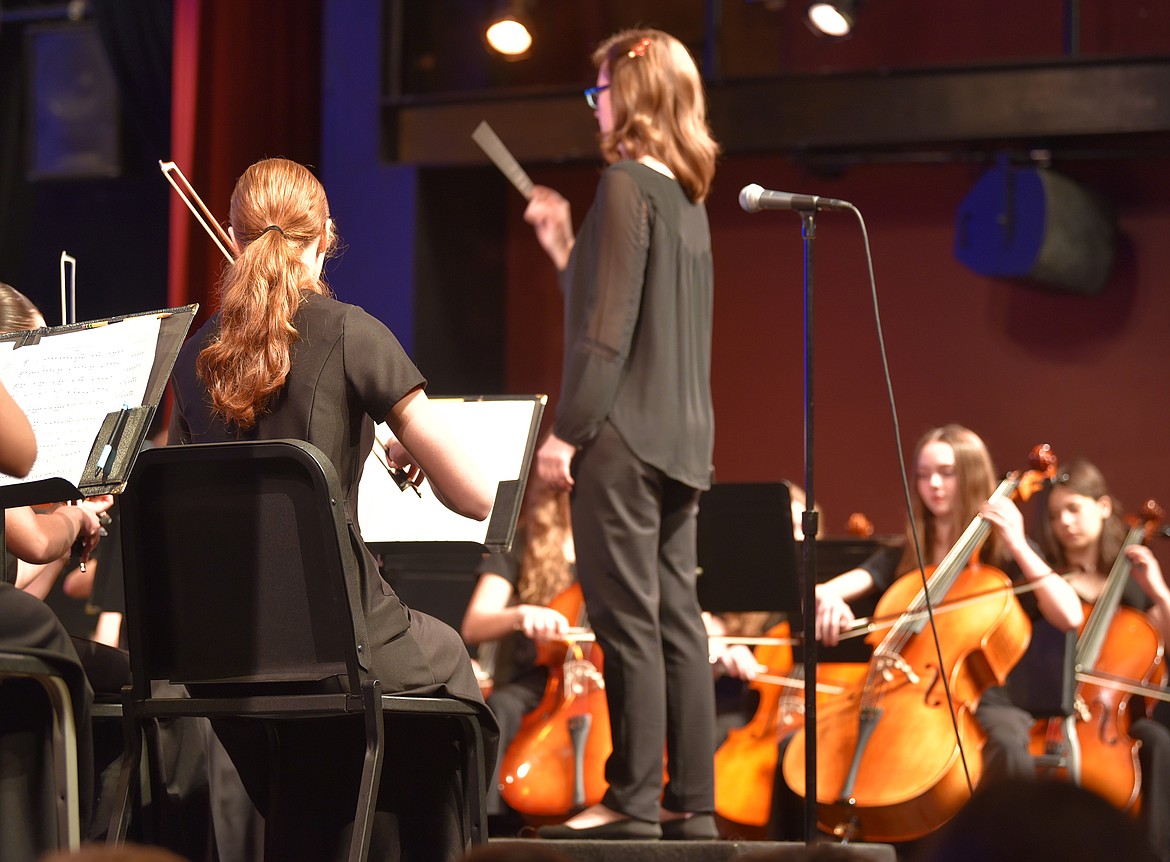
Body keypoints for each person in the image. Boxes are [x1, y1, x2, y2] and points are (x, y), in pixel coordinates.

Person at [168, 157, 497, 862]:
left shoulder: (194, 357)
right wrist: (415, 446)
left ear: (232, 237)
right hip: (338, 640)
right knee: (451, 665)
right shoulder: (352, 332)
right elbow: (474, 496)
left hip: (222, 654)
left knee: (318, 746)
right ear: (326, 238)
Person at [521, 27, 720, 841]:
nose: (595, 106)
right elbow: (621, 307)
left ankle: (633, 800)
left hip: (623, 441)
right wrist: (565, 245)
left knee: (628, 623)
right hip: (683, 441)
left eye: (599, 91)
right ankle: (692, 803)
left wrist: (567, 434)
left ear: (629, 95)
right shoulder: (684, 200)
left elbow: (605, 335)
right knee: (678, 620)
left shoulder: (626, 188)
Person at [770, 424, 1085, 840]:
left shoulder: (1002, 549)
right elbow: (843, 584)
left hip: (974, 693)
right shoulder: (908, 550)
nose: (932, 484)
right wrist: (825, 596)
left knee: (1008, 744)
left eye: (946, 472)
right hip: (890, 687)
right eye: (923, 473)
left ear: (972, 474)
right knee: (797, 750)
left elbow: (1068, 615)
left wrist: (1018, 542)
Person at [1036, 458, 1170, 862]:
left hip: (1113, 721)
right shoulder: (1048, 581)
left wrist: (1159, 592)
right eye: (1057, 514)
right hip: (1046, 712)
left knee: (1158, 740)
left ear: (1104, 507)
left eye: (1074, 508)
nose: (1065, 522)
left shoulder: (1131, 586)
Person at [460, 476, 578, 836]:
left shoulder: (619, 549)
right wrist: (521, 614)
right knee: (505, 706)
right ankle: (492, 828)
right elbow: (475, 624)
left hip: (600, 679)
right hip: (538, 680)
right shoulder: (524, 545)